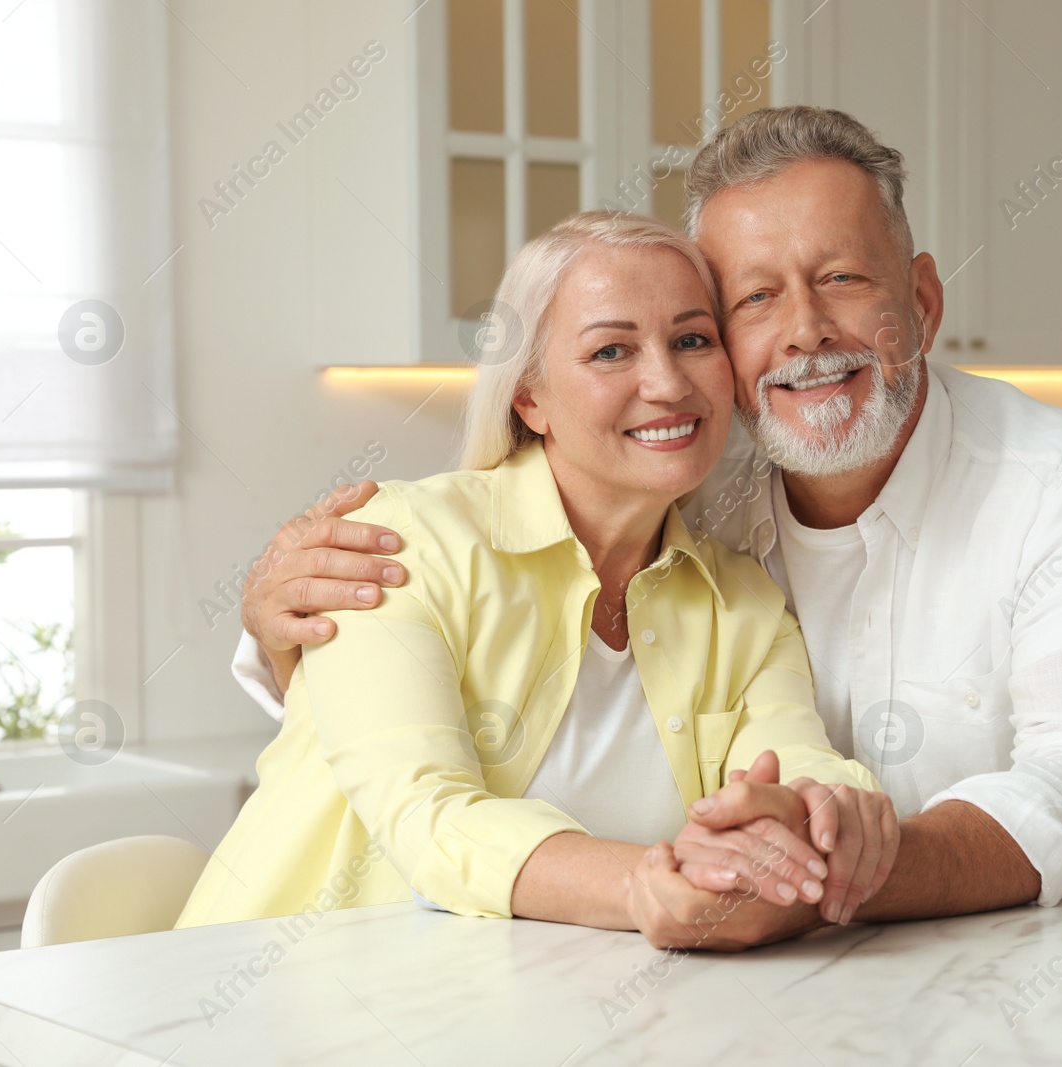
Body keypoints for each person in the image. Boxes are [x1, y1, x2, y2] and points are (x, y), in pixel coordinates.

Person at [234, 107, 1062, 947]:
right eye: (754, 299)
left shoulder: (1040, 483)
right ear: (530, 393)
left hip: (925, 960)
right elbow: (423, 777)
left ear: (925, 302)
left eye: (844, 279)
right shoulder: (677, 484)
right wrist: (281, 638)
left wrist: (826, 847)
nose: (807, 332)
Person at [176, 212, 895, 945]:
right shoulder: (402, 545)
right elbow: (428, 817)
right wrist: (649, 883)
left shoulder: (743, 602)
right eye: (611, 350)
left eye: (692, 340)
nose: (667, 381)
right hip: (283, 998)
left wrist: (817, 812)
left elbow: (797, 766)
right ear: (530, 398)